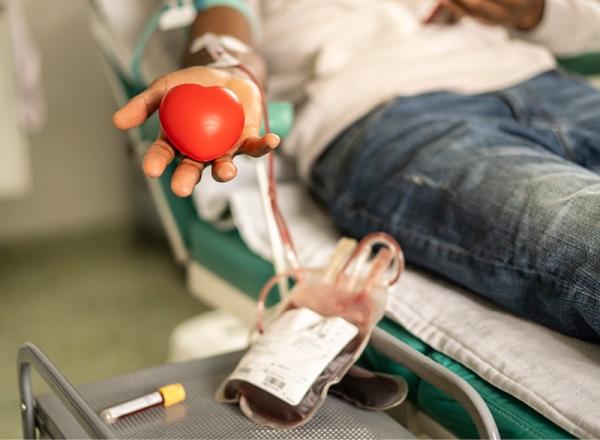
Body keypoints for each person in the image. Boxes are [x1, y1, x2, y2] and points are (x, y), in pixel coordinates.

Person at [113, 0, 600, 341]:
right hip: (385, 114)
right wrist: (225, 75)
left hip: (546, 81)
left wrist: (533, 10)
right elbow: (220, 24)